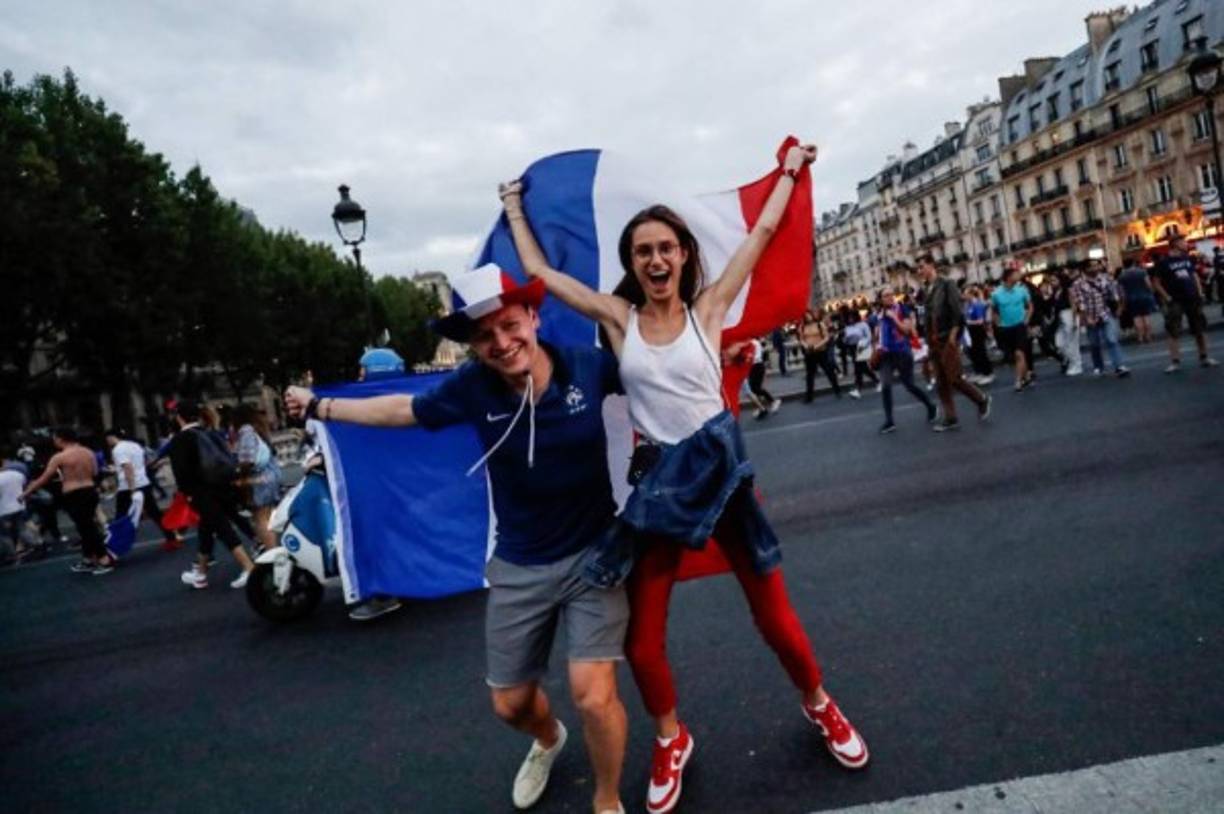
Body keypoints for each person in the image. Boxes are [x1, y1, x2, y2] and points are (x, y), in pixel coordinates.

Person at [500, 143, 868, 814]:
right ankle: (672, 736)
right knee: (641, 642)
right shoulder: (619, 321)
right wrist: (512, 208)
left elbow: (759, 234)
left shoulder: (710, 310)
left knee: (776, 619)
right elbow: (538, 272)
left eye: (666, 248)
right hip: (661, 495)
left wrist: (787, 173)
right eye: (643, 251)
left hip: (725, 484)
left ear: (684, 255)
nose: (656, 260)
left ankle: (821, 705)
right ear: (632, 264)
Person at [285, 265, 630, 814]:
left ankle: (608, 802)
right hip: (520, 562)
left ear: (533, 318)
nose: (502, 342)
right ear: (472, 348)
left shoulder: (586, 367)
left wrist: (726, 355)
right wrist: (320, 406)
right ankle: (548, 739)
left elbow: (662, 373)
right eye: (485, 337)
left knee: (595, 694)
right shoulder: (473, 387)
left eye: (510, 325)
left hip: (595, 555)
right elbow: (401, 410)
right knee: (510, 705)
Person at [167, 401, 258, 590]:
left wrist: (188, 495)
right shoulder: (210, 432)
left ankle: (249, 567)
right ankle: (200, 573)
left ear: (179, 417)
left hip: (201, 491)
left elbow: (181, 472)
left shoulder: (180, 439)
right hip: (223, 486)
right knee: (206, 530)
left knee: (223, 530)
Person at [20, 427, 114, 574]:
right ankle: (88, 559)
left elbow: (45, 478)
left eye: (55, 438)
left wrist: (27, 492)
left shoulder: (60, 457)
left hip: (74, 494)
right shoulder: (88, 452)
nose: (54, 441)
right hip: (90, 490)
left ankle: (104, 560)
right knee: (86, 526)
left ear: (60, 439)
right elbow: (96, 472)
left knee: (87, 528)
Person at [916, 255, 991, 431]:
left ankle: (981, 399)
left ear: (931, 265)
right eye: (918, 268)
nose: (919, 271)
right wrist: (926, 342)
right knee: (941, 381)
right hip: (933, 340)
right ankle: (951, 418)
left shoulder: (947, 284)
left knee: (954, 377)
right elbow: (927, 316)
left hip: (946, 338)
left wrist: (953, 336)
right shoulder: (926, 288)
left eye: (921, 266)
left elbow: (957, 312)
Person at [1152, 236, 1218, 373]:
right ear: (1175, 244)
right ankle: (1175, 362)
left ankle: (1204, 357)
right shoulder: (1164, 262)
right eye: (1183, 242)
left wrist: (1200, 292)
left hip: (1192, 297)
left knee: (1199, 328)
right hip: (1175, 300)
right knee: (1173, 330)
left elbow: (1193, 276)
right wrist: (1167, 297)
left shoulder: (1187, 258)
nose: (1186, 244)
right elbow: (1156, 283)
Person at [104, 428, 177, 550]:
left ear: (111, 437)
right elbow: (138, 464)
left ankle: (114, 545)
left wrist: (132, 490)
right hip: (143, 482)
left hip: (128, 486)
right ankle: (171, 537)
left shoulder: (118, 449)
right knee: (155, 513)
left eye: (107, 439)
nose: (107, 442)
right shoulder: (135, 445)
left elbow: (128, 468)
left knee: (120, 516)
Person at [232, 404, 281, 555]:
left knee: (260, 519)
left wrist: (238, 473)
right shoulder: (259, 429)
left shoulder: (246, 432)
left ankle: (273, 555)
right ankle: (274, 550)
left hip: (258, 480)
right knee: (268, 517)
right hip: (271, 475)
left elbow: (248, 460)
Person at [1070, 261, 1131, 378]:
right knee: (1094, 343)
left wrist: (1119, 307)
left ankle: (1119, 366)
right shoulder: (1078, 284)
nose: (1096, 268)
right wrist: (1086, 317)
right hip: (1090, 316)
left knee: (1111, 339)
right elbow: (1079, 302)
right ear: (1085, 269)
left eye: (1096, 265)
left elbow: (1115, 293)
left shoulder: (1105, 279)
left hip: (1105, 313)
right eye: (1092, 266)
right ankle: (1098, 366)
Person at [990, 264, 1035, 391]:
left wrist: (1026, 320)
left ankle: (1018, 382)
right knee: (1016, 356)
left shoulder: (1022, 290)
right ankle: (1026, 375)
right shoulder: (996, 293)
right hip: (1005, 328)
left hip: (1020, 326)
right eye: (1016, 273)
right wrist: (997, 322)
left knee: (1019, 353)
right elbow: (993, 310)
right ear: (1009, 277)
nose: (1019, 275)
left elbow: (1030, 306)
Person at [799, 309, 841, 403]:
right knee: (810, 376)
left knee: (829, 372)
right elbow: (801, 339)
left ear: (812, 315)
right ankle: (809, 397)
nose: (807, 317)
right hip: (809, 353)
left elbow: (827, 337)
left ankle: (837, 390)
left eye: (809, 315)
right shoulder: (802, 327)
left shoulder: (819, 324)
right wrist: (806, 346)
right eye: (805, 316)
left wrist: (817, 346)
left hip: (821, 352)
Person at [1117, 259, 1156, 344]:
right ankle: (1148, 336)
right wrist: (1151, 291)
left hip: (1131, 299)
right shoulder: (1142, 272)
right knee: (1146, 317)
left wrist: (1122, 303)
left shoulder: (1121, 276)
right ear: (1133, 263)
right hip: (1144, 296)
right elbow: (1148, 284)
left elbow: (1121, 291)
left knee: (1136, 318)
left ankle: (1140, 337)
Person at [842, 309, 877, 398]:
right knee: (863, 368)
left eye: (852, 317)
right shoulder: (847, 327)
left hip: (862, 346)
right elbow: (845, 341)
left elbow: (869, 337)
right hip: (853, 348)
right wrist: (846, 337)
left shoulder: (863, 324)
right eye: (849, 318)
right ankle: (877, 381)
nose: (850, 319)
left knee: (858, 369)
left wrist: (864, 344)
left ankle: (858, 389)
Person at [963, 285, 994, 384]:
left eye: (966, 293)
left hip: (978, 331)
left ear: (971, 294)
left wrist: (968, 322)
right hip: (971, 332)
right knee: (974, 352)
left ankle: (988, 373)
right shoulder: (968, 305)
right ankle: (979, 372)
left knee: (981, 352)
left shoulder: (977, 304)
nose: (964, 295)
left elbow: (980, 321)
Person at [1055, 270, 1083, 376]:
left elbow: (1073, 305)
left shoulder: (1068, 290)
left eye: (1054, 280)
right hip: (1061, 317)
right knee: (1060, 343)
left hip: (1069, 314)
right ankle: (1073, 362)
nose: (1052, 282)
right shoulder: (1057, 291)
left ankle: (1077, 365)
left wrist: (1075, 319)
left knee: (1072, 343)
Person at [744, 336, 781, 419]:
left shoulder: (754, 343)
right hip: (753, 367)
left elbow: (756, 357)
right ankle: (762, 408)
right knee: (753, 388)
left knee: (755, 388)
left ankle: (773, 401)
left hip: (757, 366)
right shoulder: (750, 342)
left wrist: (747, 359)